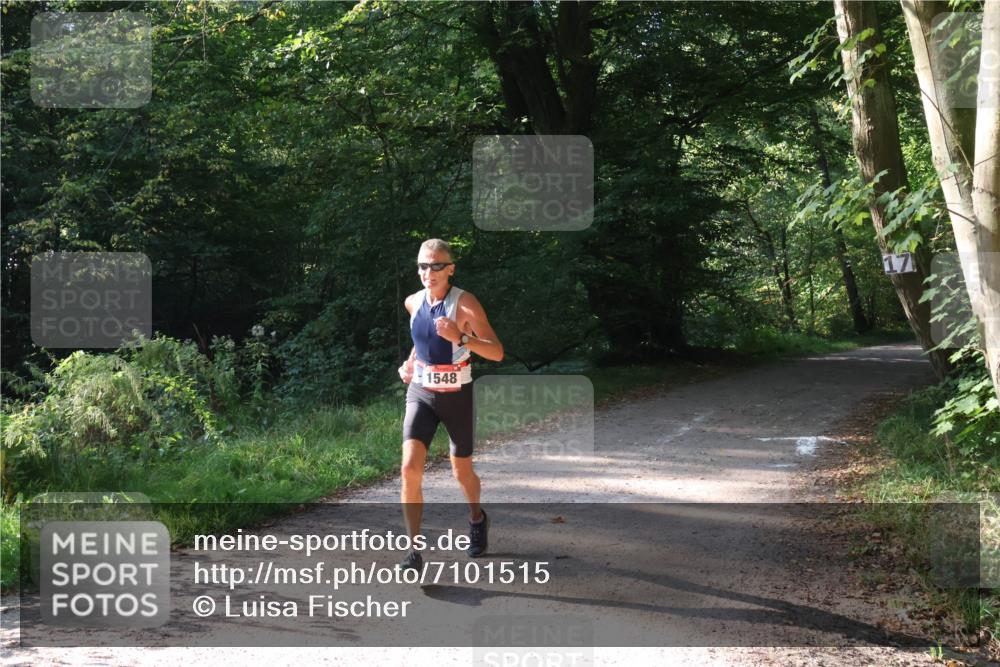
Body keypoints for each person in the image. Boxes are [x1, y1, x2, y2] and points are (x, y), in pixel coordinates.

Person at [398, 239, 504, 570]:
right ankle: (413, 552)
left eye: (435, 266)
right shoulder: (413, 302)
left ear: (450, 269)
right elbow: (422, 343)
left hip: (457, 396)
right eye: (422, 266)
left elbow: (497, 352)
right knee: (409, 468)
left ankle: (476, 518)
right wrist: (409, 363)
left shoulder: (466, 304)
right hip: (422, 394)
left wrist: (461, 337)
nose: (427, 272)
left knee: (461, 470)